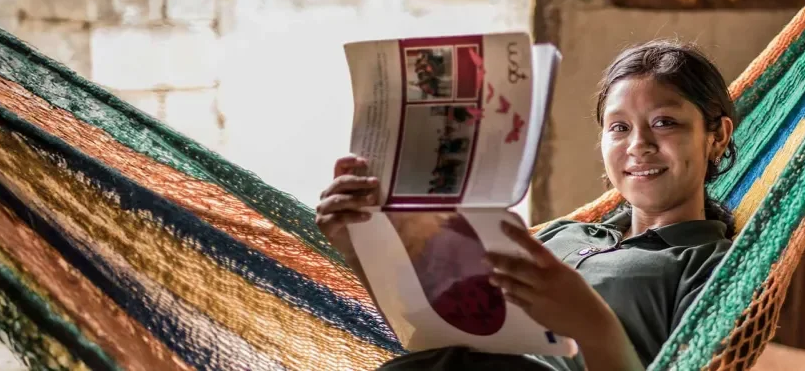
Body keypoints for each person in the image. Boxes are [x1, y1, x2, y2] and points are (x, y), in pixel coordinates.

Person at [315, 39, 739, 370]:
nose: (638, 145)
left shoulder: (713, 264)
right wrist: (359, 245)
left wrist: (592, 324)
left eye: (664, 123)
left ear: (717, 136)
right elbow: (431, 337)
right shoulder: (563, 234)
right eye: (619, 127)